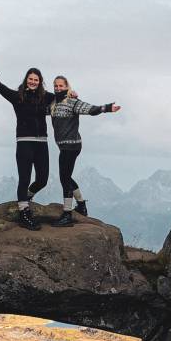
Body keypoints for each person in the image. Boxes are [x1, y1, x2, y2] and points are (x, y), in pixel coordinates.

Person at [0, 54, 50, 230]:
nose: (33, 81)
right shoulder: (17, 96)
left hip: (42, 143)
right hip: (24, 142)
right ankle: (24, 213)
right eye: (31, 79)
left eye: (36, 79)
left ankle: (26, 198)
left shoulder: (46, 97)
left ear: (40, 82)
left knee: (42, 179)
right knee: (24, 178)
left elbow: (62, 96)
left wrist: (70, 93)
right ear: (26, 79)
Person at [47, 75, 120, 227]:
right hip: (64, 146)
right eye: (56, 86)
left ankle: (67, 214)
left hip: (72, 146)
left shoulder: (72, 102)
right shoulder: (53, 103)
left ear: (67, 87)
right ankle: (81, 205)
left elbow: (89, 109)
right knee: (66, 176)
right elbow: (40, 108)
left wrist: (106, 108)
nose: (58, 88)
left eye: (61, 86)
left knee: (64, 178)